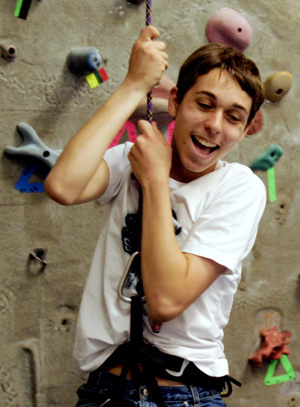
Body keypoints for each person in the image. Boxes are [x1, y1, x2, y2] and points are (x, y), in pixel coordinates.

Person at [44, 25, 266, 407]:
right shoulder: (131, 158)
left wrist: (154, 181)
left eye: (233, 117)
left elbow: (166, 299)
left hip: (184, 396)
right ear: (176, 102)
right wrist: (132, 86)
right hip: (105, 392)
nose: (215, 124)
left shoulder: (239, 188)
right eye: (204, 104)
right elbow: (62, 186)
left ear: (244, 131)